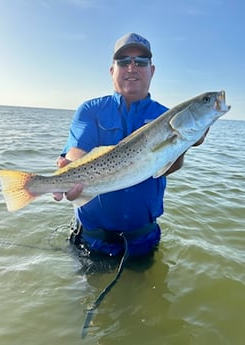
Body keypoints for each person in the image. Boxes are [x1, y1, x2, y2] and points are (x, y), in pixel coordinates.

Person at [54, 32, 207, 260]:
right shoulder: (90, 110)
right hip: (90, 239)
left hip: (143, 239)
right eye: (123, 61)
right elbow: (78, 151)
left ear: (151, 70)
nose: (132, 67)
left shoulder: (165, 116)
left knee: (150, 295)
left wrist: (183, 143)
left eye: (141, 62)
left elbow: (168, 167)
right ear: (112, 71)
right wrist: (67, 171)